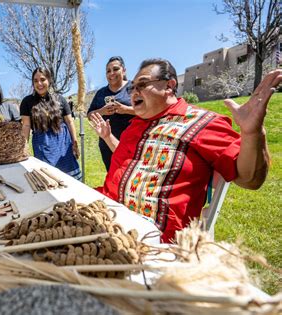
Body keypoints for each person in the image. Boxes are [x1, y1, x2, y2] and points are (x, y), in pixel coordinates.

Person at [89, 58, 281, 243]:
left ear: (169, 86)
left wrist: (252, 133)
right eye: (132, 88)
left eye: (142, 85)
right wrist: (107, 137)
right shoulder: (135, 125)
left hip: (149, 240)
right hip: (102, 215)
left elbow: (250, 180)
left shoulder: (200, 123)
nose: (133, 92)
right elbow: (128, 161)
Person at [20, 67, 81, 180]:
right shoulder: (27, 101)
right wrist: (24, 146)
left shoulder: (60, 99)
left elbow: (69, 121)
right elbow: (26, 125)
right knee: (48, 178)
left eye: (42, 79)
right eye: (35, 80)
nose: (39, 83)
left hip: (63, 143)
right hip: (42, 144)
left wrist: (75, 142)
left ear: (49, 80)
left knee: (70, 180)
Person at [87, 56, 135, 171]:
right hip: (107, 145)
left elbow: (148, 110)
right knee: (113, 175)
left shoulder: (134, 87)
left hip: (131, 144)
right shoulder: (101, 93)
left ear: (124, 70)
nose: (111, 73)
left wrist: (126, 109)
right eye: (108, 71)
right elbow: (89, 115)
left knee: (131, 176)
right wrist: (101, 111)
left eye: (115, 69)